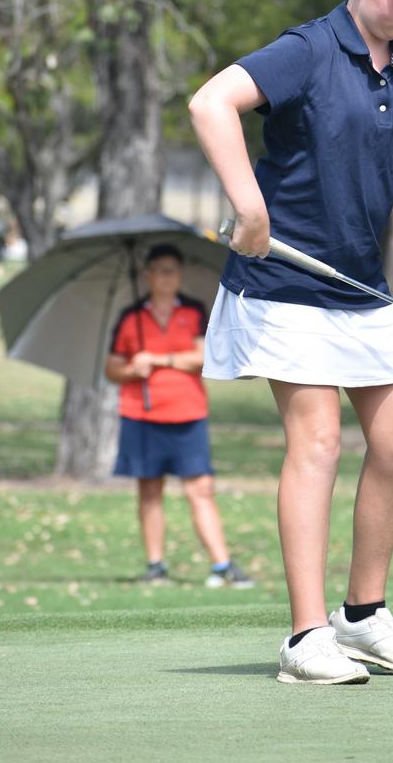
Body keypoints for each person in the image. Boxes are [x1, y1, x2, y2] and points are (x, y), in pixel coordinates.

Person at [188, 0, 393, 684]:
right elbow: (209, 103)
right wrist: (249, 205)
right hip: (283, 283)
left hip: (358, 287)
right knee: (316, 441)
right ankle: (303, 637)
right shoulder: (307, 51)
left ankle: (361, 618)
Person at [105, 242, 254, 589]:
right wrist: (132, 368)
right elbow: (112, 366)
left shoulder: (194, 310)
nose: (167, 277)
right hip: (141, 415)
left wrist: (158, 359)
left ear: (179, 274)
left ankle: (222, 565)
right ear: (148, 275)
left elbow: (202, 355)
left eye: (173, 270)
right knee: (149, 491)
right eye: (160, 270)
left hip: (187, 413)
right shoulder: (131, 317)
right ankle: (155, 566)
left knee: (200, 489)